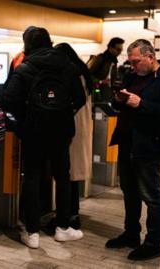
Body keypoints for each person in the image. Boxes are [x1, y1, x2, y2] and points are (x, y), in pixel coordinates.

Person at [0, 26, 86, 249]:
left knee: (32, 177)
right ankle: (63, 228)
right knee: (63, 176)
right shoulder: (68, 66)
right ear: (49, 41)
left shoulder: (25, 67)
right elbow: (80, 98)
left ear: (27, 43)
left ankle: (32, 232)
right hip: (62, 131)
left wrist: (23, 122)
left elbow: (7, 102)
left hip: (33, 132)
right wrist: (63, 114)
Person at [106, 39, 160, 261]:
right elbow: (124, 104)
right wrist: (119, 100)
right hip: (128, 142)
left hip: (150, 146)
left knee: (151, 196)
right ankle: (131, 234)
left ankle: (153, 243)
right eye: (130, 62)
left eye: (137, 61)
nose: (133, 66)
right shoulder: (132, 76)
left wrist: (141, 104)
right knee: (129, 192)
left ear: (150, 57)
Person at [54, 43, 94, 230]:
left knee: (68, 172)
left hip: (73, 126)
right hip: (82, 125)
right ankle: (72, 213)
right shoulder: (83, 72)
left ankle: (69, 215)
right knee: (73, 174)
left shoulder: (71, 74)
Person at [87, 37, 125, 101]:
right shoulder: (100, 58)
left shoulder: (114, 61)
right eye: (118, 50)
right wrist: (100, 81)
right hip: (97, 93)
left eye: (121, 50)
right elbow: (87, 75)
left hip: (107, 93)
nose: (120, 52)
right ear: (110, 48)